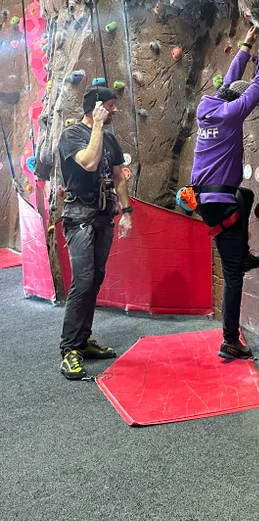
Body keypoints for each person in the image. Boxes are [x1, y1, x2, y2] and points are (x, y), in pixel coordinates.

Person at [189, 21, 259, 360]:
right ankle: (229, 339)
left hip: (211, 198)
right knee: (233, 273)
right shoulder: (233, 115)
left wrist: (246, 45)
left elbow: (228, 84)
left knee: (247, 196)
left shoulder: (207, 110)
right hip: (219, 203)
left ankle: (244, 254)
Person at [58, 85, 133, 380]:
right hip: (78, 217)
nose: (115, 110)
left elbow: (118, 178)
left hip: (103, 217)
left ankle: (83, 340)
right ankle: (69, 350)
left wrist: (126, 212)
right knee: (84, 280)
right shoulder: (72, 136)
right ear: (96, 108)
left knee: (95, 279)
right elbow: (89, 162)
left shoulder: (110, 138)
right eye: (110, 106)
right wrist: (98, 125)